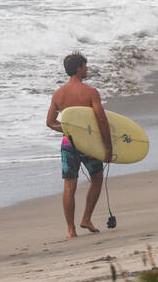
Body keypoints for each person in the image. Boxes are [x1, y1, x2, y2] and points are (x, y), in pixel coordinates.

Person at [46, 53, 114, 238]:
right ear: (79, 68)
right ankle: (86, 218)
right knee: (97, 179)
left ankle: (71, 230)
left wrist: (69, 130)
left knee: (69, 185)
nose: (87, 69)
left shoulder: (58, 94)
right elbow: (101, 119)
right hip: (88, 145)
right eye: (85, 66)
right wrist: (108, 147)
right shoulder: (90, 92)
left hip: (69, 144)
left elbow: (50, 122)